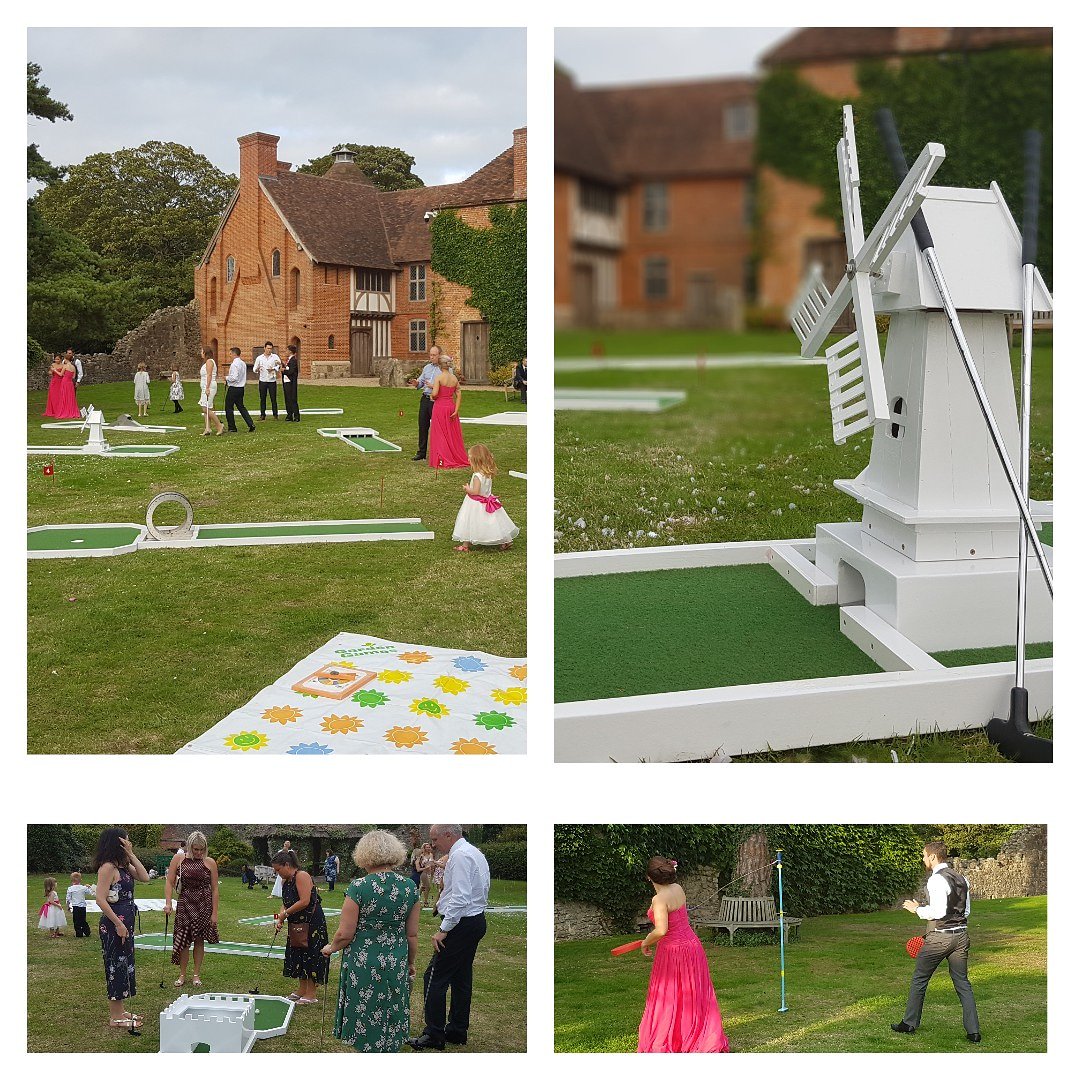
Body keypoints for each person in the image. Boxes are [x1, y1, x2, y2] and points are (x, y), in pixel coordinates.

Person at [322, 829, 421, 1052]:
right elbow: (412, 935)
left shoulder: (359, 887)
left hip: (363, 962)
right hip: (396, 960)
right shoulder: (410, 888)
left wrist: (331, 948)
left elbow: (345, 933)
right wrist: (411, 962)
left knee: (364, 1010)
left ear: (364, 854)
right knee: (391, 1008)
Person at [408, 824, 490, 1051]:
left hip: (462, 924)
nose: (433, 844)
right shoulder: (473, 852)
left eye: (435, 839)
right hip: (473, 921)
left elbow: (462, 897)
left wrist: (444, 928)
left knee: (434, 977)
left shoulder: (461, 856)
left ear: (448, 835)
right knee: (461, 978)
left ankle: (434, 1033)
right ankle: (456, 1030)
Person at [637, 856, 729, 1053]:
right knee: (692, 993)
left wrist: (645, 941)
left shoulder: (659, 899)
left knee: (669, 995)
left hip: (673, 952)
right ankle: (695, 1036)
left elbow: (661, 930)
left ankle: (674, 1040)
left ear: (649, 878)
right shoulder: (678, 888)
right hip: (692, 946)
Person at [892, 840, 981, 1043]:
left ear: (933, 857)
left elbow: (939, 912)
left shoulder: (936, 880)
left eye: (924, 855)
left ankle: (909, 1023)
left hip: (939, 938)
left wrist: (918, 909)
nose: (923, 859)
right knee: (962, 983)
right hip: (961, 936)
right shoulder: (962, 878)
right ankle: (973, 1031)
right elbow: (965, 911)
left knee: (919, 979)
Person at [95, 827, 151, 1031]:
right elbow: (100, 899)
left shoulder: (124, 867)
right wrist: (118, 924)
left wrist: (131, 855)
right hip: (113, 925)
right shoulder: (107, 868)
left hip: (125, 923)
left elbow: (145, 877)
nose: (130, 843)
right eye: (127, 841)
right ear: (118, 843)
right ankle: (115, 1016)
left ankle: (120, 1010)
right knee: (114, 967)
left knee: (125, 965)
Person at [272, 848, 329, 1005]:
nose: (278, 874)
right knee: (298, 953)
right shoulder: (285, 881)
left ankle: (311, 993)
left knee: (311, 954)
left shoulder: (302, 876)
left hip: (312, 922)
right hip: (297, 923)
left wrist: (286, 914)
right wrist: (280, 918)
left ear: (287, 865)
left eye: (278, 870)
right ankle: (302, 989)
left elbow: (304, 901)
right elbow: (285, 903)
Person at [165, 830, 220, 988]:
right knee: (183, 940)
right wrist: (168, 902)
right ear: (189, 846)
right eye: (196, 849)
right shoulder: (179, 859)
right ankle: (182, 974)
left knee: (199, 940)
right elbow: (169, 882)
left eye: (202, 849)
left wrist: (214, 913)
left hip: (204, 904)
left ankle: (196, 974)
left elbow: (215, 888)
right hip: (185, 903)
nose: (199, 852)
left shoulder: (210, 862)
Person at [452, 444, 519, 553]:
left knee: (469, 522)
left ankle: (465, 545)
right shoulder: (487, 473)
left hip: (475, 503)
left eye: (469, 457)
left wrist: (467, 488)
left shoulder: (477, 475)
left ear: (476, 460)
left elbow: (475, 492)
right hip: (488, 501)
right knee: (495, 522)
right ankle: (505, 540)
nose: (468, 459)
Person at [428, 354, 470, 469]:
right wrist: (456, 410)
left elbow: (435, 394)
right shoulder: (454, 378)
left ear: (440, 366)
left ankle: (442, 458)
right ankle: (454, 456)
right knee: (451, 434)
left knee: (440, 433)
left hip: (440, 407)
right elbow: (459, 393)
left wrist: (432, 396)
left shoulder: (439, 378)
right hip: (451, 407)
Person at [411, 345, 443, 460]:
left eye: (434, 355)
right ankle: (421, 452)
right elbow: (420, 383)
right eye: (430, 355)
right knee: (423, 426)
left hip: (436, 400)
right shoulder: (427, 368)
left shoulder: (445, 369)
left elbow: (449, 385)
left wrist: (434, 386)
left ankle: (439, 452)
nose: (432, 357)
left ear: (439, 355)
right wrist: (416, 383)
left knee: (438, 428)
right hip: (425, 399)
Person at [224, 346, 256, 433]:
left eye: (230, 353)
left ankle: (232, 427)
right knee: (241, 407)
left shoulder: (234, 364)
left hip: (234, 388)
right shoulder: (242, 363)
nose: (229, 355)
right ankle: (250, 424)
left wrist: (226, 378)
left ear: (234, 354)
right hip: (241, 388)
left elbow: (234, 377)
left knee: (229, 407)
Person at [44, 353, 80, 419]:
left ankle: (64, 411)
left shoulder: (65, 366)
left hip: (64, 382)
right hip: (70, 383)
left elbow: (61, 374)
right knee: (70, 397)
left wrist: (54, 370)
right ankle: (71, 411)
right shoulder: (73, 367)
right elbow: (74, 376)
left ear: (66, 359)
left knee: (64, 397)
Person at [199, 346, 224, 435]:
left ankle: (219, 425)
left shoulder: (209, 362)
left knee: (205, 408)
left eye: (202, 352)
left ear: (205, 353)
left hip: (209, 386)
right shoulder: (207, 362)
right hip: (206, 386)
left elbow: (209, 375)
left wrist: (207, 388)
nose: (201, 353)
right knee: (206, 407)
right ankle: (207, 428)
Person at [253, 341, 281, 420]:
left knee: (273, 398)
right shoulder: (259, 358)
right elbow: (254, 369)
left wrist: (273, 368)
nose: (269, 350)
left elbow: (280, 365)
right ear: (264, 348)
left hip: (272, 380)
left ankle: (275, 415)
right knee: (262, 398)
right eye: (268, 348)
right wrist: (257, 369)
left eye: (271, 349)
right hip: (263, 380)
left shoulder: (275, 357)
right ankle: (262, 415)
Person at [67, 871, 94, 938]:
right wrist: (89, 887)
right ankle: (87, 932)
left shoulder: (70, 888)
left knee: (76, 921)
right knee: (83, 920)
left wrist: (68, 906)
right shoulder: (83, 888)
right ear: (80, 880)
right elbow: (90, 893)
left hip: (75, 907)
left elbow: (68, 898)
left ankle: (79, 933)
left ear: (72, 880)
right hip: (83, 907)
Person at [282, 343, 301, 421]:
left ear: (290, 351)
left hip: (291, 383)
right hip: (286, 381)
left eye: (287, 350)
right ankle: (289, 414)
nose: (285, 351)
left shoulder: (293, 360)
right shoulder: (289, 360)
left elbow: (291, 372)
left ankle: (296, 416)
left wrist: (283, 371)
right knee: (287, 398)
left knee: (292, 399)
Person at [418, 844, 436, 910]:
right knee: (427, 887)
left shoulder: (431, 854)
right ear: (424, 848)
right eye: (427, 847)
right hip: (423, 872)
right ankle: (425, 902)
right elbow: (419, 864)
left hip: (429, 872)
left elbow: (432, 863)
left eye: (429, 847)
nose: (428, 848)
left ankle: (417, 898)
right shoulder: (421, 856)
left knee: (423, 886)